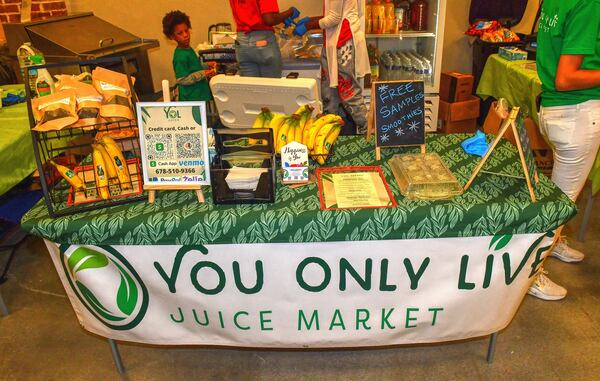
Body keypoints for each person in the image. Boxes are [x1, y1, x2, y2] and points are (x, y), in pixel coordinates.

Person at [528, 0, 600, 300]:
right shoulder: (589, 4)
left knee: (556, 193)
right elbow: (567, 77)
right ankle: (529, 271)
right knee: (561, 202)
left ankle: (553, 242)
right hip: (577, 112)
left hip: (557, 111)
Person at [293, 0, 370, 134]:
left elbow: (334, 18)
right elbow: (338, 12)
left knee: (349, 92)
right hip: (335, 41)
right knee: (330, 92)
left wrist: (308, 25)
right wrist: (310, 19)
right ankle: (331, 133)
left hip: (343, 41)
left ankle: (370, 132)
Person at [228, 1, 299, 78]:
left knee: (250, 87)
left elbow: (249, 14)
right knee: (270, 86)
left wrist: (281, 18)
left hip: (242, 43)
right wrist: (290, 12)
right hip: (263, 43)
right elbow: (269, 19)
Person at [162, 10, 216, 101]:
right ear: (172, 36)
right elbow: (183, 79)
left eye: (186, 31)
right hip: (192, 98)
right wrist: (204, 73)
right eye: (180, 33)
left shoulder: (188, 49)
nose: (185, 35)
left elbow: (193, 67)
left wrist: (206, 65)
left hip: (200, 94)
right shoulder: (179, 57)